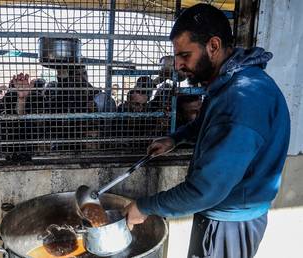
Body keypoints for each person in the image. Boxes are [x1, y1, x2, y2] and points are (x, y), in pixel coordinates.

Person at [123, 4, 290, 258]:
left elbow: (204, 191)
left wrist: (145, 207)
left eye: (185, 55)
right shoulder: (231, 81)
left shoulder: (241, 100)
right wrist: (175, 138)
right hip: (224, 212)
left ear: (213, 46)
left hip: (229, 222)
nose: (178, 65)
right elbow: (208, 123)